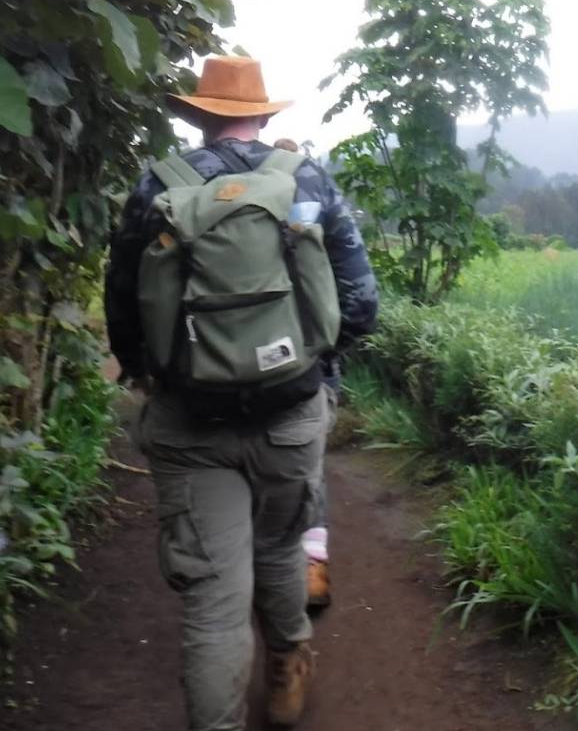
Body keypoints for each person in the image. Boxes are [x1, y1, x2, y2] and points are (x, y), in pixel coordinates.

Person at [104, 56, 378, 730]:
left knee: (212, 600)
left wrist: (148, 371)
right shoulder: (304, 178)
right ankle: (287, 666)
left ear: (198, 117)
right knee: (281, 546)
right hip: (289, 411)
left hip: (190, 418)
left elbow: (123, 302)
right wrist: (316, 364)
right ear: (264, 114)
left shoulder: (157, 186)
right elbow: (359, 301)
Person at [272, 137, 335, 607]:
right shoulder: (315, 196)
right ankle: (312, 563)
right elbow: (356, 296)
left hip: (227, 360)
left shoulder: (219, 200)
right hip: (307, 363)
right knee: (307, 468)